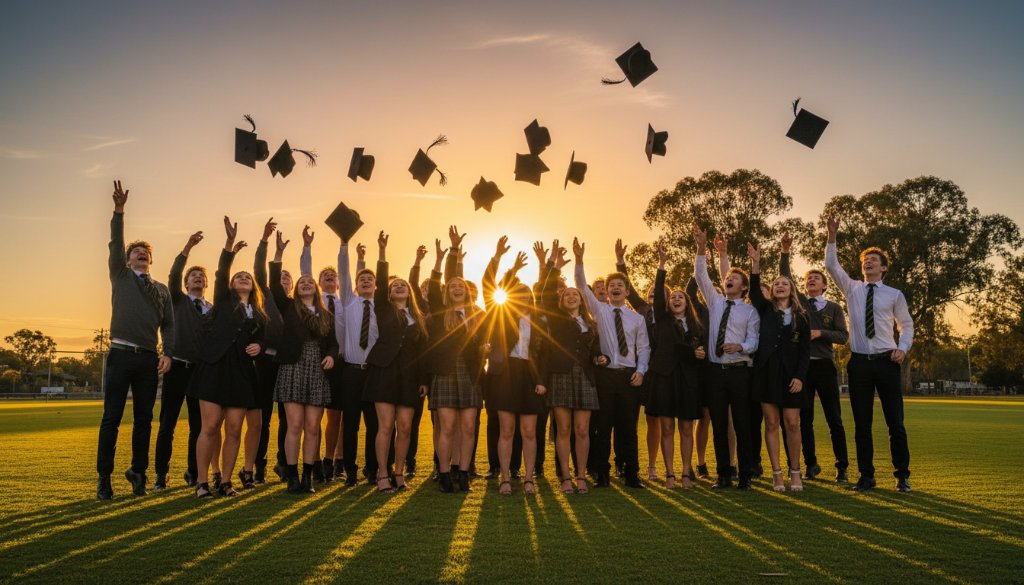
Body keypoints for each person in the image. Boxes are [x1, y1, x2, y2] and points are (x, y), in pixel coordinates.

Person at [96, 180, 175, 500]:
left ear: (150, 260)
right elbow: (116, 244)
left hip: (147, 358)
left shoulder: (161, 290)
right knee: (112, 417)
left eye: (145, 253)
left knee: (145, 418)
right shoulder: (121, 276)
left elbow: (169, 325)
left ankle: (138, 473)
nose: (141, 254)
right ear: (127, 260)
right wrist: (119, 211)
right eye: (135, 252)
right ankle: (104, 478)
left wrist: (167, 352)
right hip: (119, 353)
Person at [825, 216, 914, 492]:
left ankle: (902, 475)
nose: (868, 262)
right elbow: (831, 265)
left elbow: (907, 325)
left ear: (883, 267)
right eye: (865, 260)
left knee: (895, 423)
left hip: (887, 361)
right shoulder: (852, 288)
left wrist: (902, 348)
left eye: (874, 260)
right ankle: (867, 476)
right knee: (862, 424)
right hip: (860, 363)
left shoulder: (894, 294)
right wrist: (832, 236)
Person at [188, 217, 267, 498]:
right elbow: (222, 272)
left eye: (247, 277)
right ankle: (202, 482)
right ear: (232, 285)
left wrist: (259, 344)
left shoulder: (259, 314)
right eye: (239, 277)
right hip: (214, 367)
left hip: (242, 373)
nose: (242, 278)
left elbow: (267, 336)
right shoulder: (223, 300)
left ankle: (226, 482)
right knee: (210, 426)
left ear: (253, 286)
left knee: (234, 428)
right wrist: (229, 245)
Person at [573, 237, 651, 489]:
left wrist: (640, 371)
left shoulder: (636, 319)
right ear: (607, 291)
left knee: (628, 429)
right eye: (611, 285)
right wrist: (579, 260)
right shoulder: (601, 310)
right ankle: (603, 474)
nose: (615, 288)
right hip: (605, 376)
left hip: (629, 377)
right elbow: (582, 287)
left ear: (627, 292)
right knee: (603, 427)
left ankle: (631, 474)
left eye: (620, 285)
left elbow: (644, 348)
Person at [692, 224, 760, 490]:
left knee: (742, 425)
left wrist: (740, 347)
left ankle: (744, 475)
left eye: (734, 277)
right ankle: (723, 475)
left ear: (744, 287)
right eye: (727, 276)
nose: (728, 279)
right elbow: (700, 276)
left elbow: (755, 341)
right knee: (718, 425)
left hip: (740, 372)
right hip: (715, 372)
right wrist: (701, 248)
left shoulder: (750, 311)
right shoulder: (716, 302)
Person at [779, 233, 850, 483]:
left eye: (816, 278)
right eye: (808, 278)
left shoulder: (834, 308)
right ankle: (810, 465)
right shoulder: (800, 305)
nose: (811, 281)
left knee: (834, 419)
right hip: (803, 369)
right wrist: (785, 252)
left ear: (824, 286)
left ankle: (842, 467)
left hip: (825, 367)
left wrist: (820, 332)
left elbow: (843, 336)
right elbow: (785, 278)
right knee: (803, 419)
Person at [270, 230, 338, 493]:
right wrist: (278, 253)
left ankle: (308, 475)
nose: (306, 283)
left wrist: (331, 355)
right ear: (297, 289)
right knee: (294, 425)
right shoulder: (288, 307)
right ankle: (293, 476)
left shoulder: (326, 315)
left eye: (311, 281)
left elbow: (333, 342)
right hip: (293, 367)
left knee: (313, 426)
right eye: (302, 282)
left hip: (317, 369)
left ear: (317, 288)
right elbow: (275, 286)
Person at [364, 232, 430, 492]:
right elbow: (381, 280)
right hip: (384, 372)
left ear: (410, 292)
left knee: (405, 427)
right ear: (388, 293)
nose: (399, 287)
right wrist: (382, 251)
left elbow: (425, 350)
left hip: (410, 377)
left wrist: (424, 381)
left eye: (403, 285)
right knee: (385, 426)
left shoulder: (419, 317)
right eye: (395, 286)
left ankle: (399, 472)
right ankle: (382, 473)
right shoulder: (383, 308)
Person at [538, 243, 605, 493]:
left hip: (585, 378)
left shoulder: (590, 322)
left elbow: (595, 350)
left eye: (575, 294)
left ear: (581, 299)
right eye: (567, 294)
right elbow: (545, 294)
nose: (571, 296)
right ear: (561, 300)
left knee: (582, 430)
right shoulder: (555, 319)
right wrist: (553, 265)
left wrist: (600, 358)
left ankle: (580, 476)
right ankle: (565, 478)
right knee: (563, 429)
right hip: (561, 376)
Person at [482, 238, 545, 495]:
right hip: (504, 374)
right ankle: (505, 478)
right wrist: (509, 268)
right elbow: (488, 285)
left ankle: (529, 478)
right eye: (514, 291)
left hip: (529, 377)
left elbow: (542, 354)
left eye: (524, 292)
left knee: (529, 431)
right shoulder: (499, 314)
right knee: (506, 430)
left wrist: (541, 379)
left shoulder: (539, 319)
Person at [747, 242, 811, 492]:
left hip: (792, 377)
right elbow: (754, 290)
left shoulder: (801, 316)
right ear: (772, 291)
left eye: (785, 283)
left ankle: (796, 471)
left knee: (792, 423)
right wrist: (756, 264)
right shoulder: (764, 309)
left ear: (792, 289)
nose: (780, 286)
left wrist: (800, 377)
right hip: (766, 374)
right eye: (776, 284)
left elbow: (806, 351)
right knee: (771, 423)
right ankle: (777, 474)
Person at [426, 237, 487, 493]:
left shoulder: (479, 315)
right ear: (446, 292)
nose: (457, 288)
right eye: (452, 286)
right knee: (447, 426)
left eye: (461, 285)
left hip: (470, 375)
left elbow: (484, 342)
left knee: (468, 426)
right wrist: (446, 257)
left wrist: (485, 349)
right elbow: (433, 288)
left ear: (468, 290)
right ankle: (444, 473)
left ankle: (464, 472)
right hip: (446, 373)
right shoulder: (441, 314)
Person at [645, 243, 707, 489]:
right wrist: (662, 265)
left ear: (687, 302)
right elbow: (659, 292)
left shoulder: (697, 326)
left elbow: (699, 350)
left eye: (681, 297)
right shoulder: (661, 319)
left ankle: (685, 473)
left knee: (686, 428)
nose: (676, 299)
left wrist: (699, 353)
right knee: (667, 427)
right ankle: (669, 474)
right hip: (664, 378)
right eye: (673, 298)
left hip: (688, 380)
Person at [153, 230, 210, 491]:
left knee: (198, 426)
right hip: (176, 366)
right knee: (168, 424)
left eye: (202, 276)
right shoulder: (177, 299)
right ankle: (161, 475)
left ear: (206, 284)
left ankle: (194, 472)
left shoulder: (211, 308)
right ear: (186, 284)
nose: (197, 278)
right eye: (193, 276)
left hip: (200, 372)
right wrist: (188, 247)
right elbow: (173, 276)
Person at [299, 228, 345, 483]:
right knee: (313, 417)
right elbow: (305, 274)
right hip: (315, 363)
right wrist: (307, 247)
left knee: (336, 417)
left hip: (340, 362)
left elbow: (348, 272)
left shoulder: (346, 301)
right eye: (324, 276)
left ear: (338, 283)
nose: (329, 278)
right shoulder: (317, 304)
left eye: (333, 276)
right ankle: (313, 461)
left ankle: (331, 460)